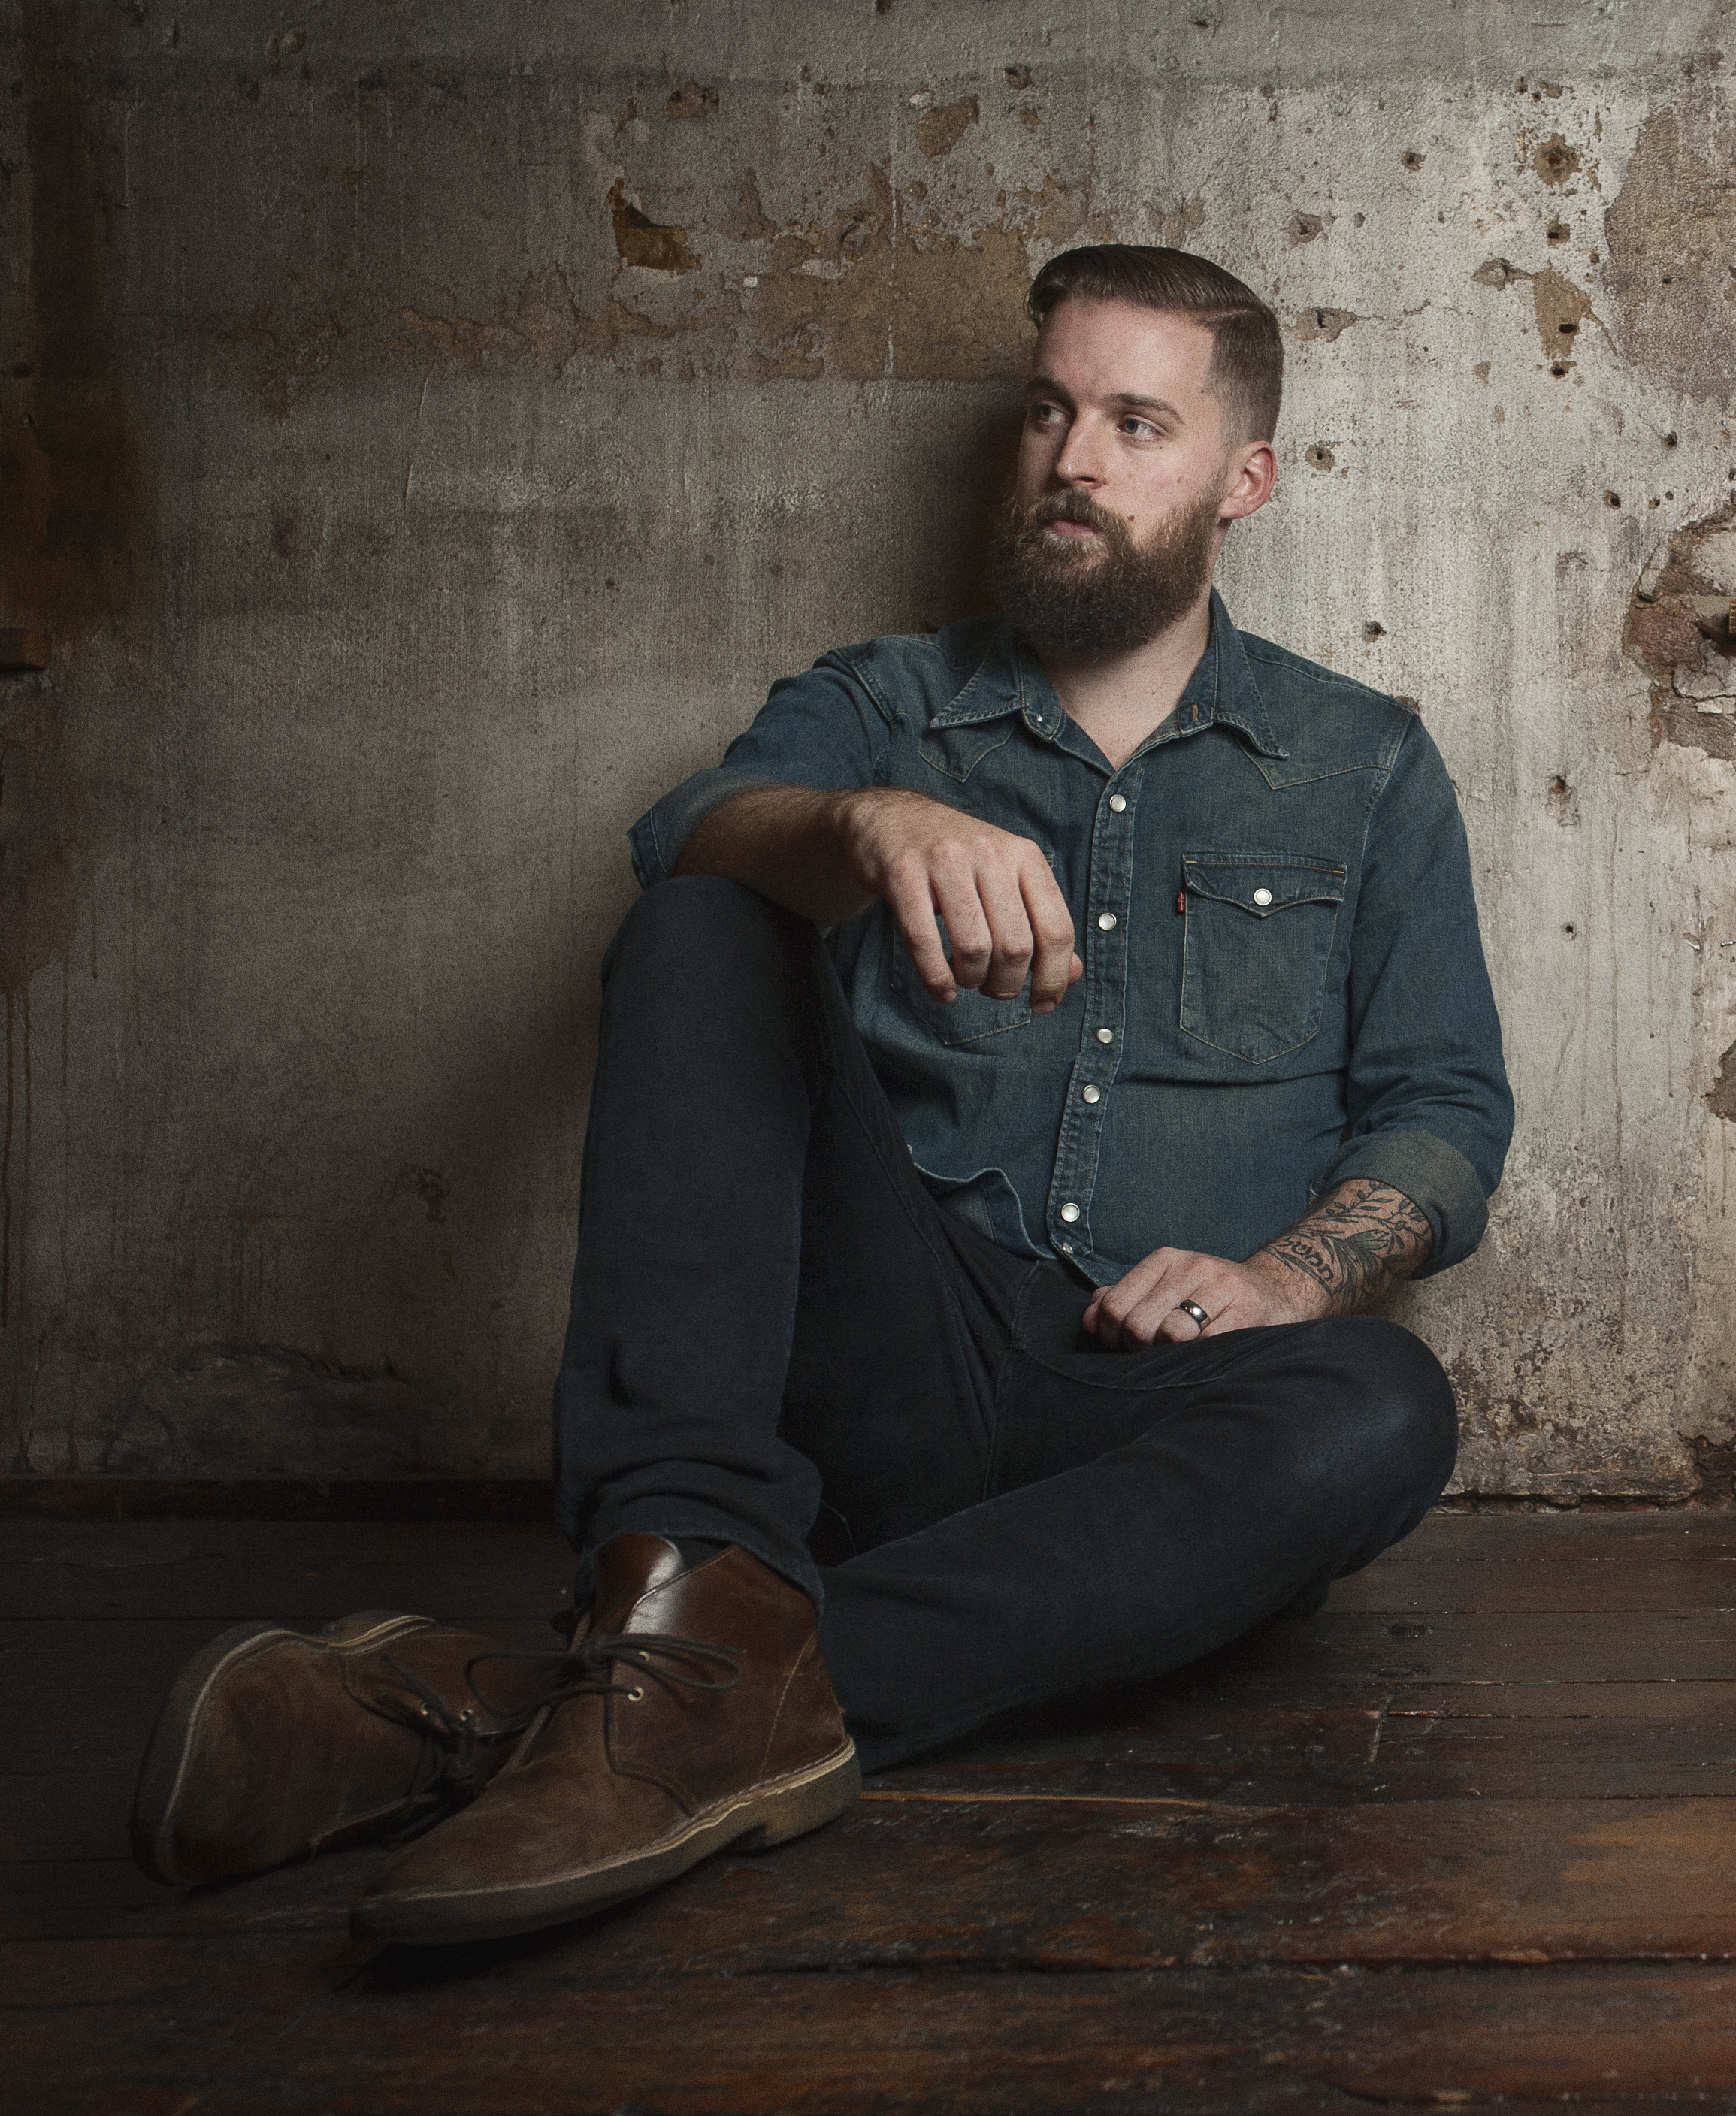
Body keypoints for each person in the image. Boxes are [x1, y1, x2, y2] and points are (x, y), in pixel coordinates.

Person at [129, 246, 1513, 1946]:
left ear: (1246, 481)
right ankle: (683, 1570)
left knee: (1379, 1407)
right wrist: (862, 822)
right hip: (888, 1359)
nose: (1074, 461)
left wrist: (1291, 1277)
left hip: (1145, 1414)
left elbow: (1446, 1105)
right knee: (708, 914)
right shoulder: (883, 703)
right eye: (1050, 413)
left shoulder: (1364, 763)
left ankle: (593, 1698)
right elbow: (691, 834)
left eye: (1137, 424)